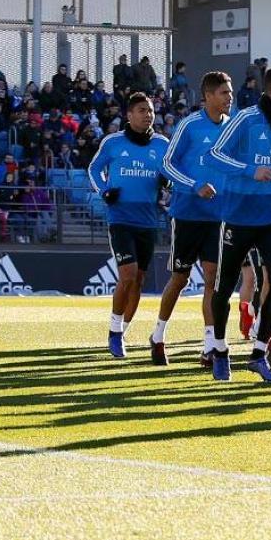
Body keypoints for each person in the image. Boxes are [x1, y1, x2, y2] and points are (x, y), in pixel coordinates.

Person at [210, 65, 271, 383]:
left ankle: (259, 353)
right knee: (223, 287)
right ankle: (219, 352)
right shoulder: (247, 119)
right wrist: (251, 170)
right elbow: (215, 156)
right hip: (238, 215)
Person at [150, 71, 233, 367]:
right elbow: (167, 165)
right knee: (180, 278)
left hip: (218, 217)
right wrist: (194, 185)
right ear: (208, 96)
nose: (229, 97)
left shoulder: (232, 129)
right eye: (224, 92)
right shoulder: (190, 126)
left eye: (230, 92)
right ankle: (158, 335)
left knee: (213, 279)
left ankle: (210, 345)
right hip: (187, 215)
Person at [89, 93, 169, 359]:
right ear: (129, 115)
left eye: (150, 110)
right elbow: (93, 169)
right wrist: (103, 191)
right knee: (128, 274)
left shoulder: (161, 144)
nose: (148, 114)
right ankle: (113, 331)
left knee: (140, 280)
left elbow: (169, 174)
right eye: (141, 110)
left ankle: (122, 330)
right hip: (120, 218)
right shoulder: (113, 142)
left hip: (148, 220)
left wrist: (167, 183)